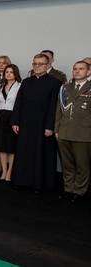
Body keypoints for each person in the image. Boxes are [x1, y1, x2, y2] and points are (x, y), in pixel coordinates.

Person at [11, 54, 61, 192]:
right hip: (25, 123)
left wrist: (50, 126)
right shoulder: (26, 82)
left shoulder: (54, 83)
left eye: (41, 64)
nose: (37, 67)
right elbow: (18, 102)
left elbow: (54, 106)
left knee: (40, 154)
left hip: (42, 125)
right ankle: (21, 181)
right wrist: (15, 121)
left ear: (48, 65)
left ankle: (39, 184)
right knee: (23, 152)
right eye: (35, 64)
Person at [55, 61, 91, 203]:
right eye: (75, 69)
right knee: (67, 164)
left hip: (84, 133)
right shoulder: (65, 88)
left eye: (81, 69)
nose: (77, 71)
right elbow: (59, 110)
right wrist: (57, 129)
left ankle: (79, 191)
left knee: (82, 165)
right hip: (65, 131)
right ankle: (68, 189)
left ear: (88, 72)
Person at [0, 64, 21, 182]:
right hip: (0, 116)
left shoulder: (20, 86)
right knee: (1, 145)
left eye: (11, 72)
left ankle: (10, 171)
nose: (8, 74)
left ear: (16, 73)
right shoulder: (0, 86)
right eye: (6, 72)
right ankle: (3, 171)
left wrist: (17, 120)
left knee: (12, 146)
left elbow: (20, 105)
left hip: (12, 116)